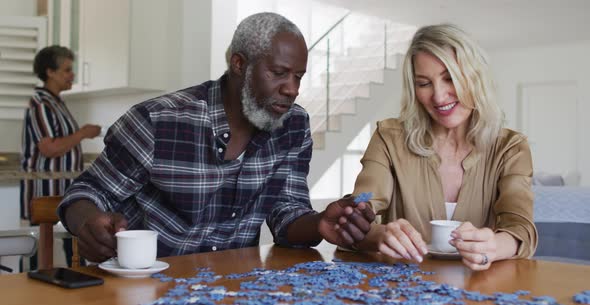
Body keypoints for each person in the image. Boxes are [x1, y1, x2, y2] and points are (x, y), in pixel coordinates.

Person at [57, 12, 374, 263]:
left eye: (298, 76)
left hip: (230, 289)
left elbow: (286, 211)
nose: (292, 88)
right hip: (144, 286)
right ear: (240, 64)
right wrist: (87, 222)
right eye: (278, 73)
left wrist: (318, 223)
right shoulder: (158, 121)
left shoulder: (293, 126)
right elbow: (85, 194)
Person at [342, 24, 537, 271]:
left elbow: (520, 228)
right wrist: (379, 234)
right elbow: (362, 204)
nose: (439, 96)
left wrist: (494, 246)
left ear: (475, 77)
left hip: (479, 293)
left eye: (450, 78)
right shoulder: (388, 138)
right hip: (400, 292)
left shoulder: (511, 149)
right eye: (424, 83)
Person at [21, 45, 101, 268]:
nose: (72, 74)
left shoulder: (57, 103)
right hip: (44, 190)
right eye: (66, 70)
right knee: (39, 249)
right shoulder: (40, 103)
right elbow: (50, 148)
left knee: (70, 241)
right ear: (50, 72)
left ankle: (77, 284)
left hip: (63, 188)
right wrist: (84, 133)